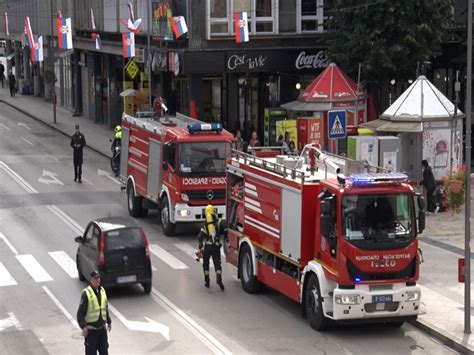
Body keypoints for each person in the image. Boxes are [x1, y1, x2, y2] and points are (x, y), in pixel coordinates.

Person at [77, 270, 111, 355]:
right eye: (95, 278)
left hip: (102, 330)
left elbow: (104, 308)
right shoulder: (86, 293)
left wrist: (109, 321)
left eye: (98, 278)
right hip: (91, 332)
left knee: (104, 352)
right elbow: (80, 313)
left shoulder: (102, 290)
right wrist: (84, 326)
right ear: (91, 280)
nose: (97, 280)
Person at [197, 204, 228, 290]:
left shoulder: (205, 225)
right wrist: (226, 236)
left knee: (206, 264)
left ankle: (207, 281)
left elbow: (200, 237)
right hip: (216, 247)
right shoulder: (218, 222)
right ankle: (219, 278)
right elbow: (225, 227)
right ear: (214, 212)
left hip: (207, 247)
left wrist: (201, 247)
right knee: (217, 264)